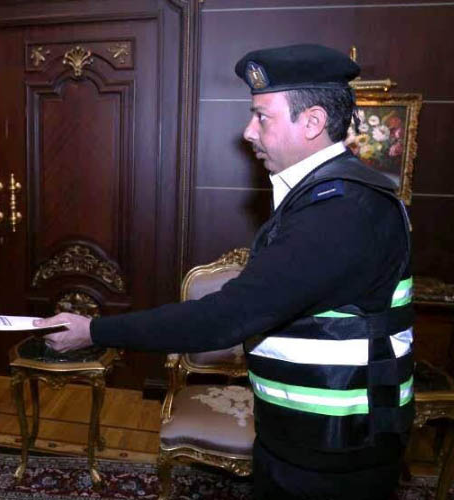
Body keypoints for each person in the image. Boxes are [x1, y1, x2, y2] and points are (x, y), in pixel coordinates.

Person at [36, 44, 414, 500]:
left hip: (336, 453)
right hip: (304, 439)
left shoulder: (342, 210)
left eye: (262, 117)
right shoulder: (327, 196)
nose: (249, 131)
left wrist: (94, 331)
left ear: (312, 122)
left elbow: (225, 317)